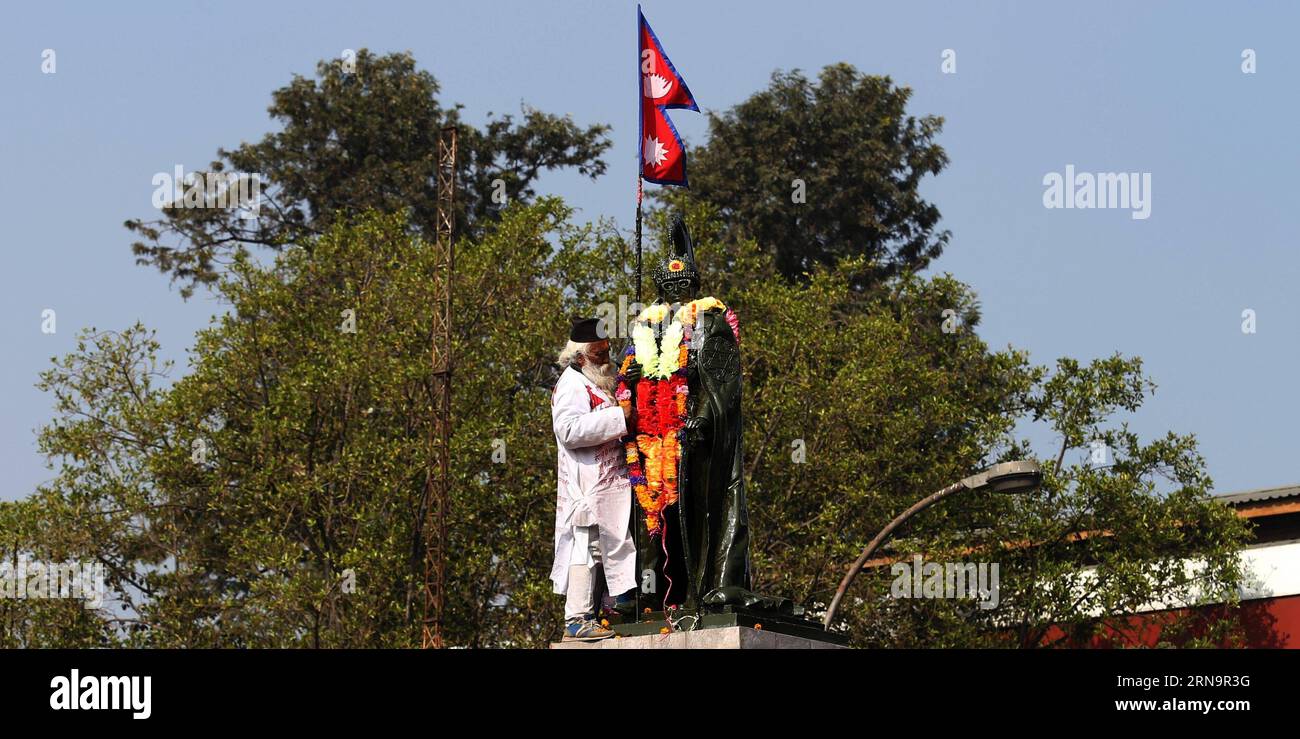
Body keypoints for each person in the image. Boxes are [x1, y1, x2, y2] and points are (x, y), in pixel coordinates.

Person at [550, 317, 637, 641]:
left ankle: (606, 611)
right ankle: (576, 618)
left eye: (607, 352)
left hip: (610, 484)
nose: (606, 359)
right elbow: (569, 431)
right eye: (599, 355)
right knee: (585, 548)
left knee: (610, 548)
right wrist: (618, 417)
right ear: (580, 357)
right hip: (586, 485)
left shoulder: (598, 380)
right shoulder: (572, 384)